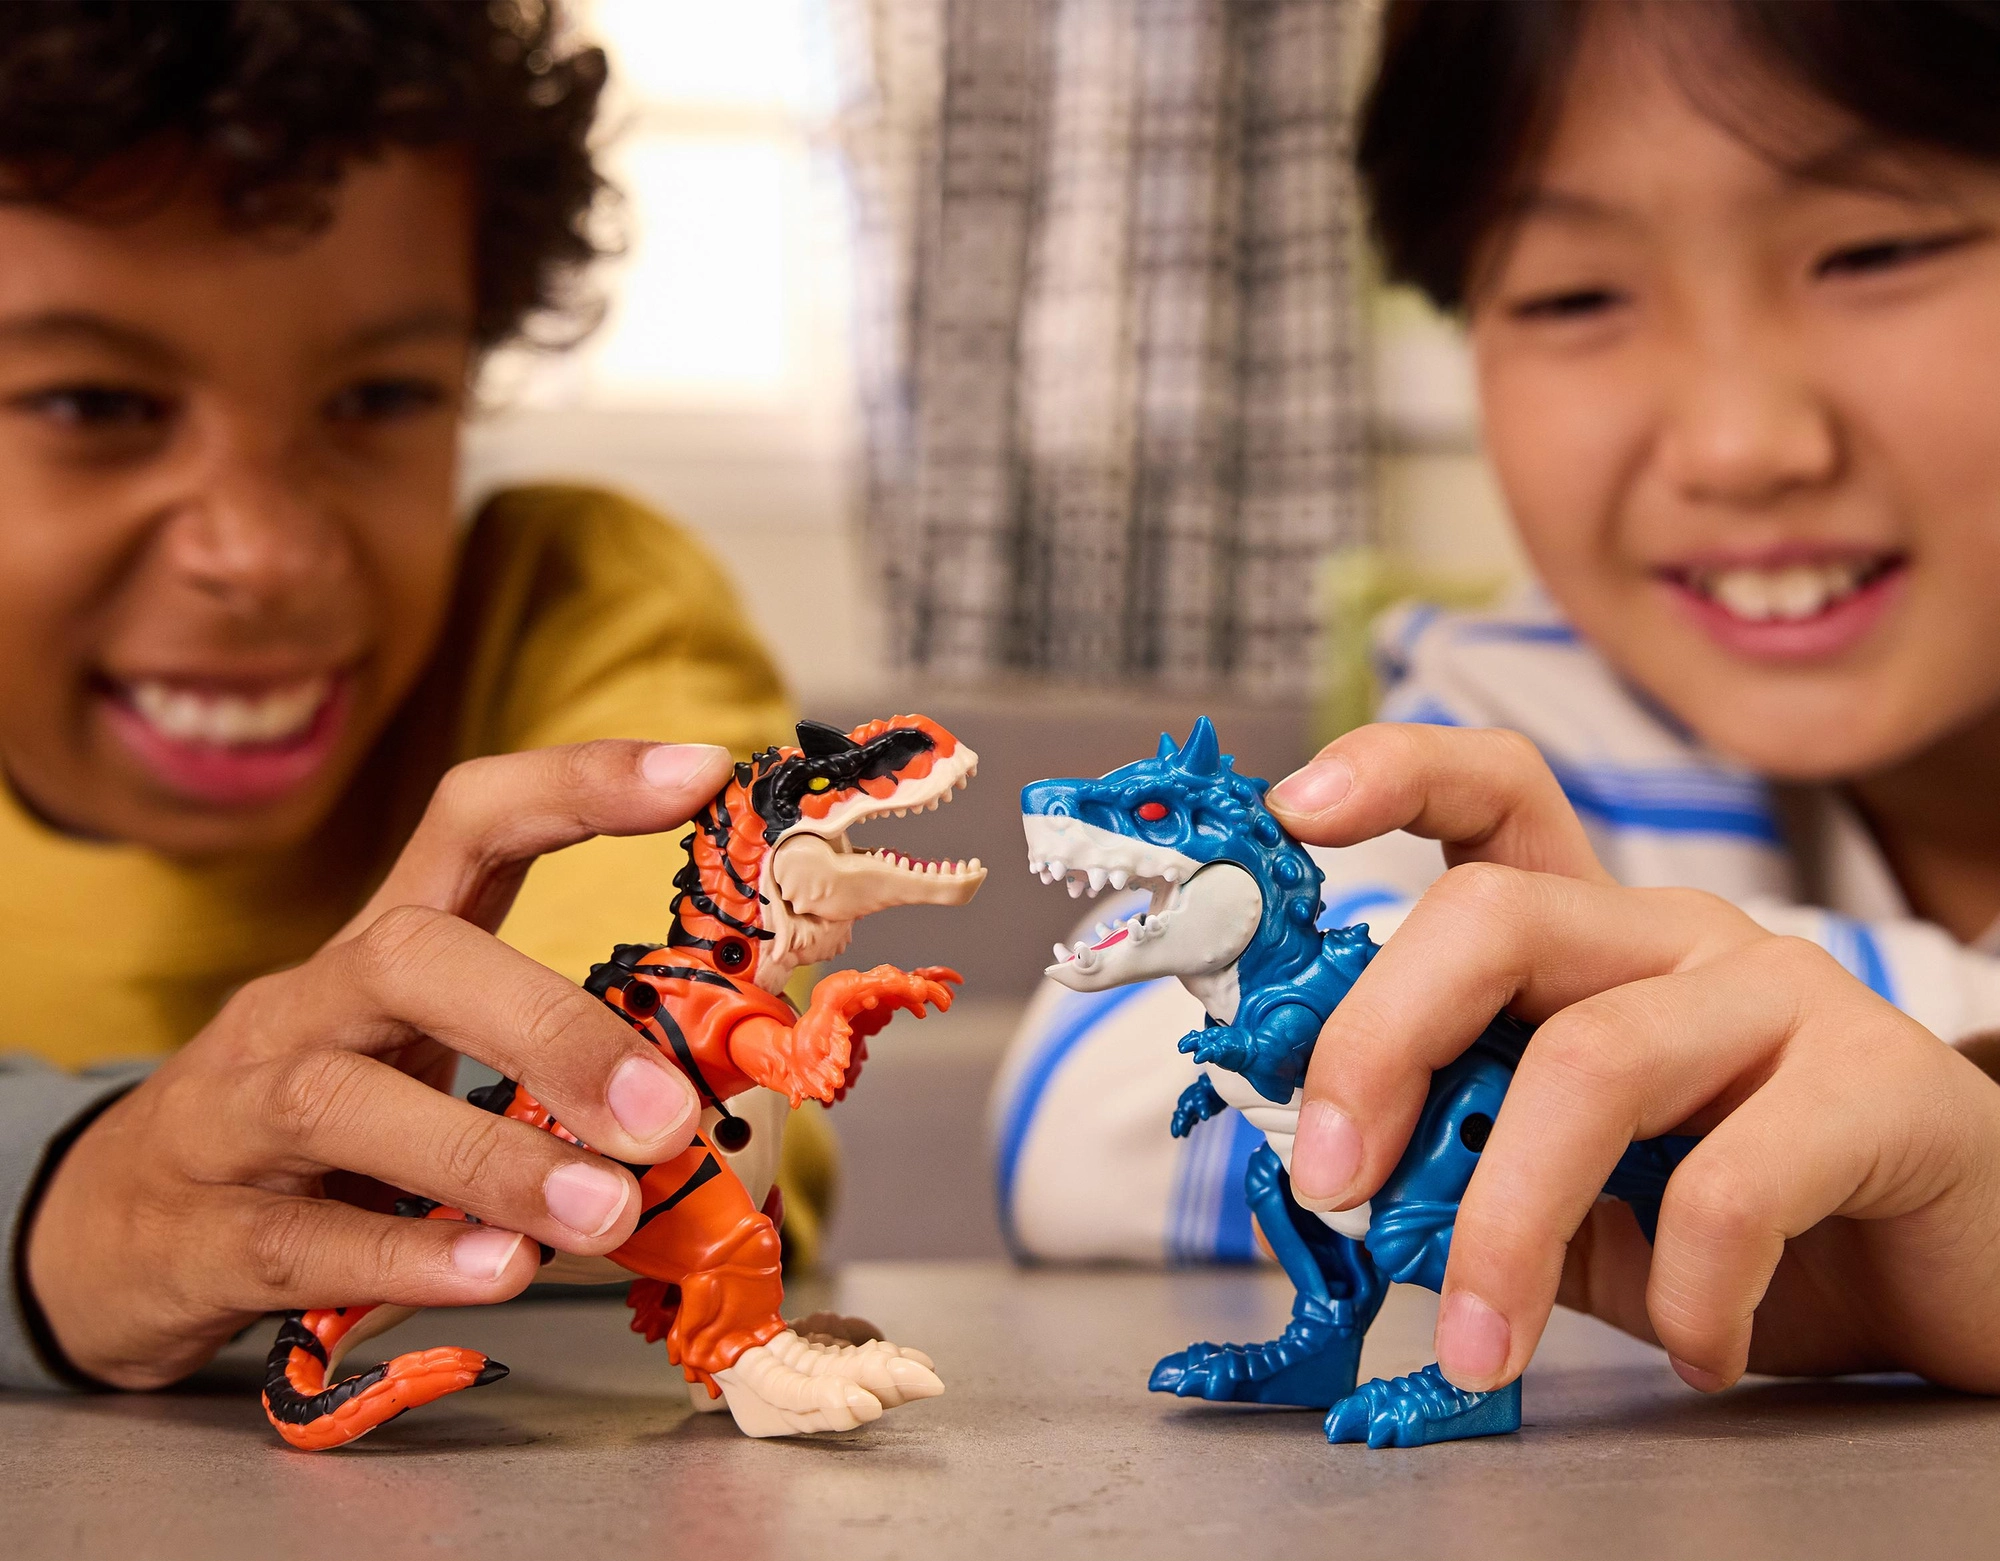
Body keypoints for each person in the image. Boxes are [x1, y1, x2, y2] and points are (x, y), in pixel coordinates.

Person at [995, 0, 2000, 1400]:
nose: (1738, 446)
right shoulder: (1542, 707)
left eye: (1876, 251)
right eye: (1573, 296)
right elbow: (1076, 1107)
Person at [0, 3, 817, 1394]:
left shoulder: (573, 611)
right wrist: (58, 1203)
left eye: (380, 396)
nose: (263, 556)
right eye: (93, 405)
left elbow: (653, 1128)